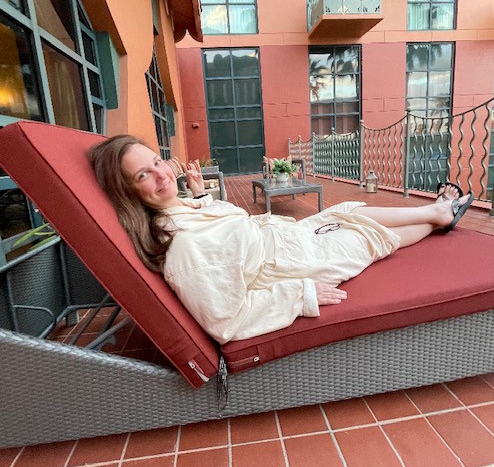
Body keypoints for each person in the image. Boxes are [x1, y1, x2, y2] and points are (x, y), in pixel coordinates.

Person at [87, 135, 475, 345]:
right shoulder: (184, 251)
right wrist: (299, 294)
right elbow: (227, 321)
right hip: (289, 266)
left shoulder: (182, 212)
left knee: (348, 209)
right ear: (128, 194)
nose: (159, 174)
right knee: (369, 236)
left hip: (285, 239)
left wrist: (197, 197)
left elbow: (221, 238)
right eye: (142, 176)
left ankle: (436, 213)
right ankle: (438, 216)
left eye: (156, 161)